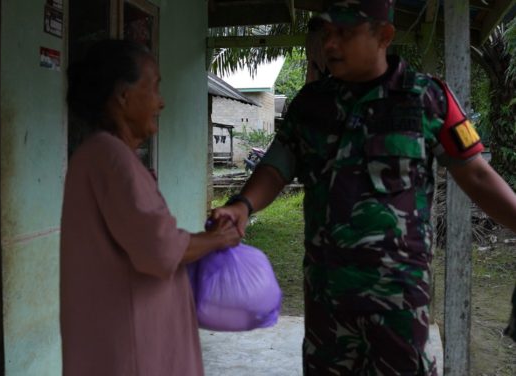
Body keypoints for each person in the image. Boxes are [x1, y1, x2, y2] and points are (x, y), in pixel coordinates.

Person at [212, 1, 516, 375]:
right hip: (328, 296)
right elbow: (276, 167)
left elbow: (478, 176)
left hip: (398, 297)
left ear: (383, 36)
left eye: (346, 33)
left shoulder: (427, 98)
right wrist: (243, 204)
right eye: (327, 34)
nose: (331, 45)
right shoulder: (311, 105)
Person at [60, 39, 241, 376]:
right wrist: (219, 240)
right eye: (154, 86)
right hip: (132, 348)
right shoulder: (111, 158)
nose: (161, 102)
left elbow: (145, 237)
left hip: (120, 338)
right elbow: (159, 250)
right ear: (123, 95)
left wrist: (202, 240)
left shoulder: (100, 156)